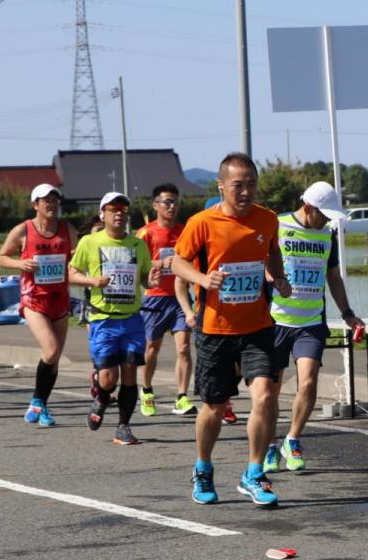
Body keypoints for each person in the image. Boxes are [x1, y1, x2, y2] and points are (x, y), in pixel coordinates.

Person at [169, 153, 292, 506]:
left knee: (266, 397)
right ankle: (203, 467)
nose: (246, 191)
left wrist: (278, 277)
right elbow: (177, 262)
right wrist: (203, 279)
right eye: (238, 185)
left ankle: (254, 474)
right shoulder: (202, 222)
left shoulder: (267, 219)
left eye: (251, 184)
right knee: (213, 406)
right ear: (221, 186)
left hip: (258, 327)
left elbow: (272, 252)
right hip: (214, 329)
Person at [263, 181, 364, 473]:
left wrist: (347, 313)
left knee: (308, 382)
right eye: (324, 213)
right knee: (270, 390)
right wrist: (273, 279)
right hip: (275, 320)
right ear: (308, 207)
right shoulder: (278, 225)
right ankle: (270, 444)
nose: (328, 219)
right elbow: (261, 261)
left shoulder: (327, 234)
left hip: (310, 322)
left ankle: (292, 439)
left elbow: (334, 277)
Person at [68, 192, 161, 445]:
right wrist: (91, 280)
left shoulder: (137, 244)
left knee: (130, 374)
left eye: (123, 208)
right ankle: (101, 396)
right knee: (109, 379)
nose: (119, 212)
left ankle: (123, 427)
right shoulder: (90, 242)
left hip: (132, 319)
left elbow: (144, 276)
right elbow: (71, 274)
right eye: (113, 208)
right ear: (103, 214)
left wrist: (149, 281)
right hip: (103, 319)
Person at [0, 184, 80, 427]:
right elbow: (1, 256)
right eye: (45, 200)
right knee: (51, 350)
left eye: (55, 200)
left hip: (60, 298)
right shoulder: (23, 230)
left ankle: (40, 403)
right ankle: (38, 401)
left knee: (53, 358)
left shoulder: (67, 229)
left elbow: (76, 257)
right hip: (34, 299)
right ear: (35, 205)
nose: (51, 204)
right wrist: (20, 264)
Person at [136, 183, 197, 418]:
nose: (172, 206)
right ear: (156, 205)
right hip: (154, 299)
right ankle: (147, 390)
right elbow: (138, 262)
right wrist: (163, 264)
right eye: (167, 202)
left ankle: (182, 397)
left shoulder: (184, 230)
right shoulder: (146, 233)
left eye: (175, 202)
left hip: (180, 298)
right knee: (152, 349)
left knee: (183, 347)